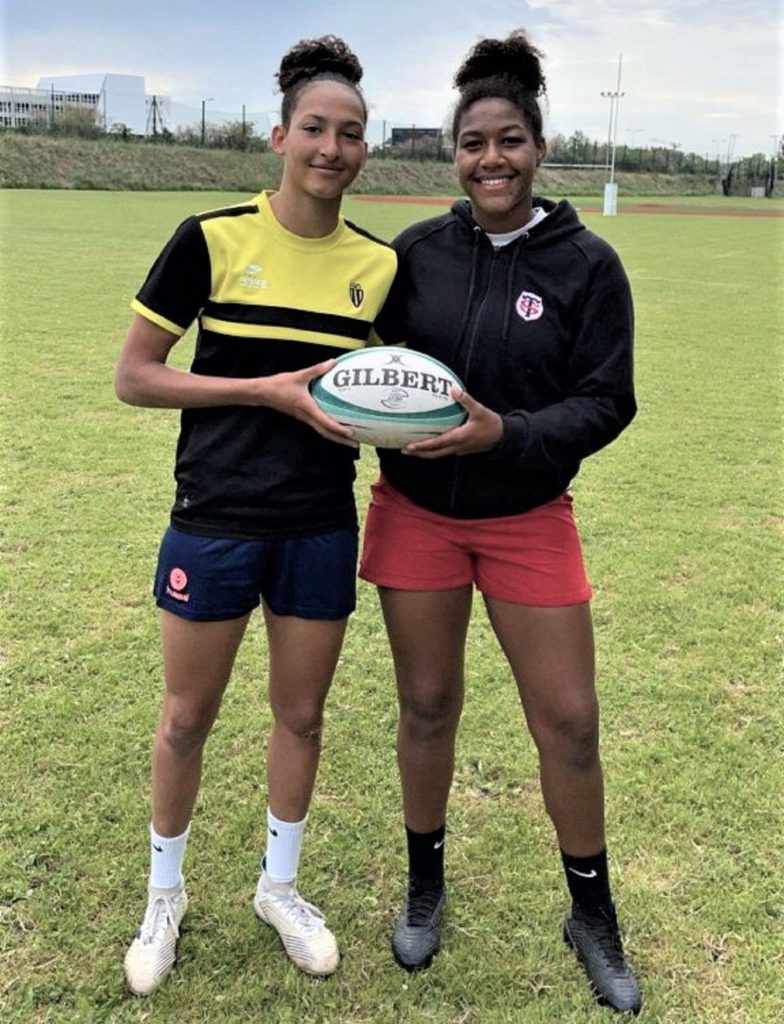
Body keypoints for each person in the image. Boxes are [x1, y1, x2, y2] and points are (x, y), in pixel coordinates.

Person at [359, 29, 642, 1015]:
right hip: (416, 516)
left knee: (567, 721)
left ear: (538, 144)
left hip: (528, 514)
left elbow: (608, 400)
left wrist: (502, 434)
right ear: (454, 152)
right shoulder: (417, 255)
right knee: (427, 704)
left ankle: (591, 914)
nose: (491, 159)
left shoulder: (586, 265)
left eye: (509, 139)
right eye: (473, 141)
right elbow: (370, 370)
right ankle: (425, 884)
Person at [115, 35, 396, 996]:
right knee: (187, 714)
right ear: (280, 134)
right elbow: (135, 378)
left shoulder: (379, 267)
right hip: (216, 517)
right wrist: (262, 392)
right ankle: (165, 894)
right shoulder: (212, 237)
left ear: (366, 150)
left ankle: (280, 887)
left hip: (320, 521)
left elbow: (377, 389)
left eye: (350, 133)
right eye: (315, 127)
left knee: (302, 715)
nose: (331, 146)